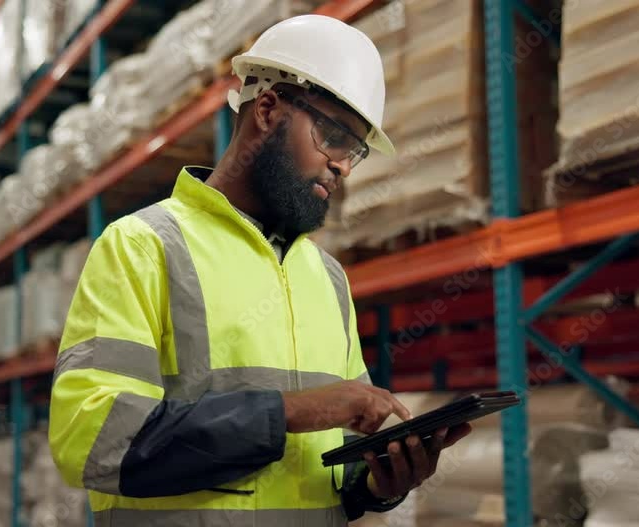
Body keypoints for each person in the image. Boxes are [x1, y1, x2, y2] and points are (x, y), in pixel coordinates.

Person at [48, 14, 471, 526]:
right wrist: (291, 412)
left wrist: (378, 483)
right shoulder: (143, 247)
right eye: (332, 136)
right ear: (268, 109)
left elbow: (336, 462)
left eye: (355, 151)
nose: (344, 167)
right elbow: (87, 440)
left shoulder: (327, 278)